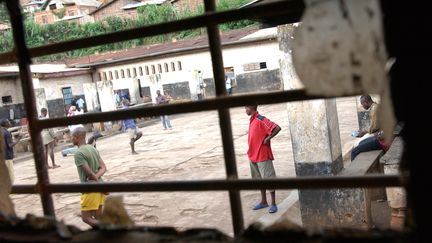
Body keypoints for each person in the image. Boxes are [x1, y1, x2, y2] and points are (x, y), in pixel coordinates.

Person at [245, 104, 281, 214]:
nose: (245, 110)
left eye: (246, 108)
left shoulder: (261, 119)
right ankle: (264, 201)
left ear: (251, 108)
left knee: (268, 179)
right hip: (253, 155)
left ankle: (273, 204)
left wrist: (268, 138)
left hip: (263, 155)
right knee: (259, 180)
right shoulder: (252, 120)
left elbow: (277, 128)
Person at [71, 127, 107, 227]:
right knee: (98, 216)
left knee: (86, 218)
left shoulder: (78, 154)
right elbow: (103, 167)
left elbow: (90, 174)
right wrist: (99, 182)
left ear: (77, 138)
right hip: (99, 187)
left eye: (72, 137)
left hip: (90, 188)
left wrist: (94, 179)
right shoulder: (92, 148)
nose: (71, 139)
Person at [351, 94, 391, 160]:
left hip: (382, 140)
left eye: (362, 104)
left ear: (365, 102)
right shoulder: (376, 107)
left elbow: (374, 127)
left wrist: (364, 132)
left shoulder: (375, 109)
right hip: (380, 136)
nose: (362, 106)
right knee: (361, 143)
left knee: (355, 150)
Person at [1, 119, 22, 183]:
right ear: (5, 124)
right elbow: (10, 145)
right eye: (8, 122)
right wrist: (18, 138)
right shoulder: (7, 133)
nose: (10, 123)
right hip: (7, 157)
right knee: (11, 176)